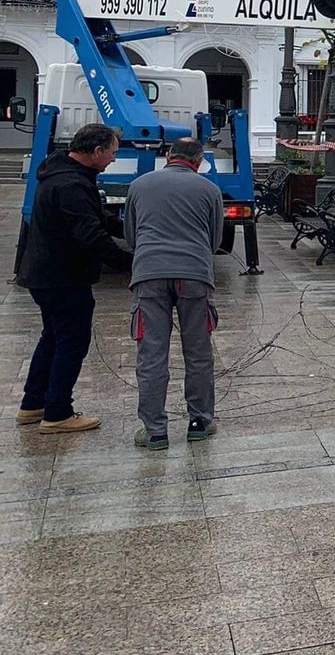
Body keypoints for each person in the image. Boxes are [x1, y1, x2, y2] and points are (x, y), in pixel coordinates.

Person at [15, 124, 129, 433]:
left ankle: (33, 404)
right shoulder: (71, 185)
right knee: (72, 343)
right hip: (62, 277)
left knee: (52, 338)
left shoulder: (63, 175)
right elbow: (90, 235)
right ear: (96, 152)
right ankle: (57, 413)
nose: (113, 160)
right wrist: (130, 263)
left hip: (46, 275)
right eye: (112, 153)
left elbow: (95, 220)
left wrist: (128, 230)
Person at [125, 137, 225, 450]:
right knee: (198, 352)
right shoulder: (209, 190)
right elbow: (215, 239)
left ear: (168, 156)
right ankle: (199, 421)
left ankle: (155, 431)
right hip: (194, 276)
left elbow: (131, 235)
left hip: (149, 274)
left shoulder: (139, 185)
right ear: (198, 162)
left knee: (152, 353)